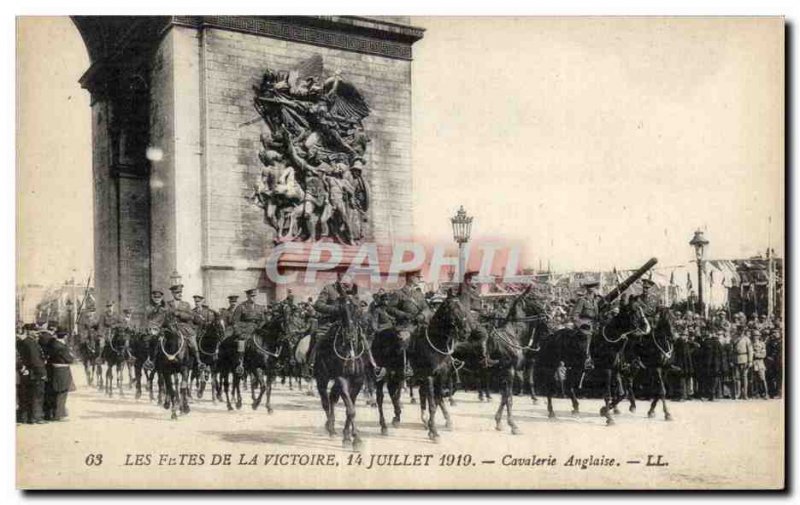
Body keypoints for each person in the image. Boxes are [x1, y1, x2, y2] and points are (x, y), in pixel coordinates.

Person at [166, 283, 204, 366]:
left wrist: (179, 314)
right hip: (171, 326)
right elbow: (165, 315)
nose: (179, 294)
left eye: (180, 292)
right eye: (177, 292)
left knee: (192, 341)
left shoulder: (186, 304)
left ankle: (198, 360)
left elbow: (190, 316)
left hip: (184, 327)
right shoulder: (168, 304)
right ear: (172, 293)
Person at [17, 324, 47, 424]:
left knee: (28, 395)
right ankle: (36, 417)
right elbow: (35, 360)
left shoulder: (24, 342)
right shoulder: (30, 343)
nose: (35, 333)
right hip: (35, 372)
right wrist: (42, 372)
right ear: (28, 331)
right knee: (37, 394)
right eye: (33, 331)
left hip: (28, 372)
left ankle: (27, 417)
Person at [43, 331, 76, 421]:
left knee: (56, 391)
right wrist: (72, 356)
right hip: (62, 370)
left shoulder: (52, 343)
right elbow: (70, 359)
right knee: (62, 392)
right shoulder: (61, 346)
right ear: (65, 336)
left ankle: (55, 412)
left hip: (54, 369)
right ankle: (59, 414)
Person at [570, 280, 602, 368]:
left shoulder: (595, 302)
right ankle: (586, 359)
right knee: (587, 337)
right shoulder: (582, 300)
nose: (593, 289)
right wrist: (582, 325)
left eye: (594, 287)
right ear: (587, 289)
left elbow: (596, 316)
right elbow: (574, 316)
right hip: (583, 328)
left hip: (594, 327)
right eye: (591, 287)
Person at [232, 289, 267, 361]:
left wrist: (259, 326)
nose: (253, 298)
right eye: (251, 296)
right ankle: (240, 361)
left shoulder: (260, 307)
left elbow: (263, 320)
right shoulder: (241, 307)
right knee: (242, 341)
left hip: (257, 329)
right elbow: (235, 321)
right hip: (245, 330)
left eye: (255, 296)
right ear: (247, 296)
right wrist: (238, 332)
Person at [732, 328, 753, 400]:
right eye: (739, 330)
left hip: (744, 359)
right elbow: (732, 350)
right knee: (737, 378)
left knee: (744, 378)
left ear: (743, 331)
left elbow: (750, 351)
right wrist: (731, 360)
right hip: (736, 359)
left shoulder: (747, 339)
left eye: (741, 330)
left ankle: (745, 394)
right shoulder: (734, 338)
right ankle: (737, 394)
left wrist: (750, 361)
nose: (740, 332)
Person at [751, 331, 769, 399]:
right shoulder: (751, 344)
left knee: (762, 378)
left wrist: (756, 355)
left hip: (760, 363)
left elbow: (764, 354)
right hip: (753, 363)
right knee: (754, 379)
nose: (755, 337)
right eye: (754, 335)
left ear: (759, 336)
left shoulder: (762, 344)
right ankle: (756, 393)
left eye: (756, 335)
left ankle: (766, 393)